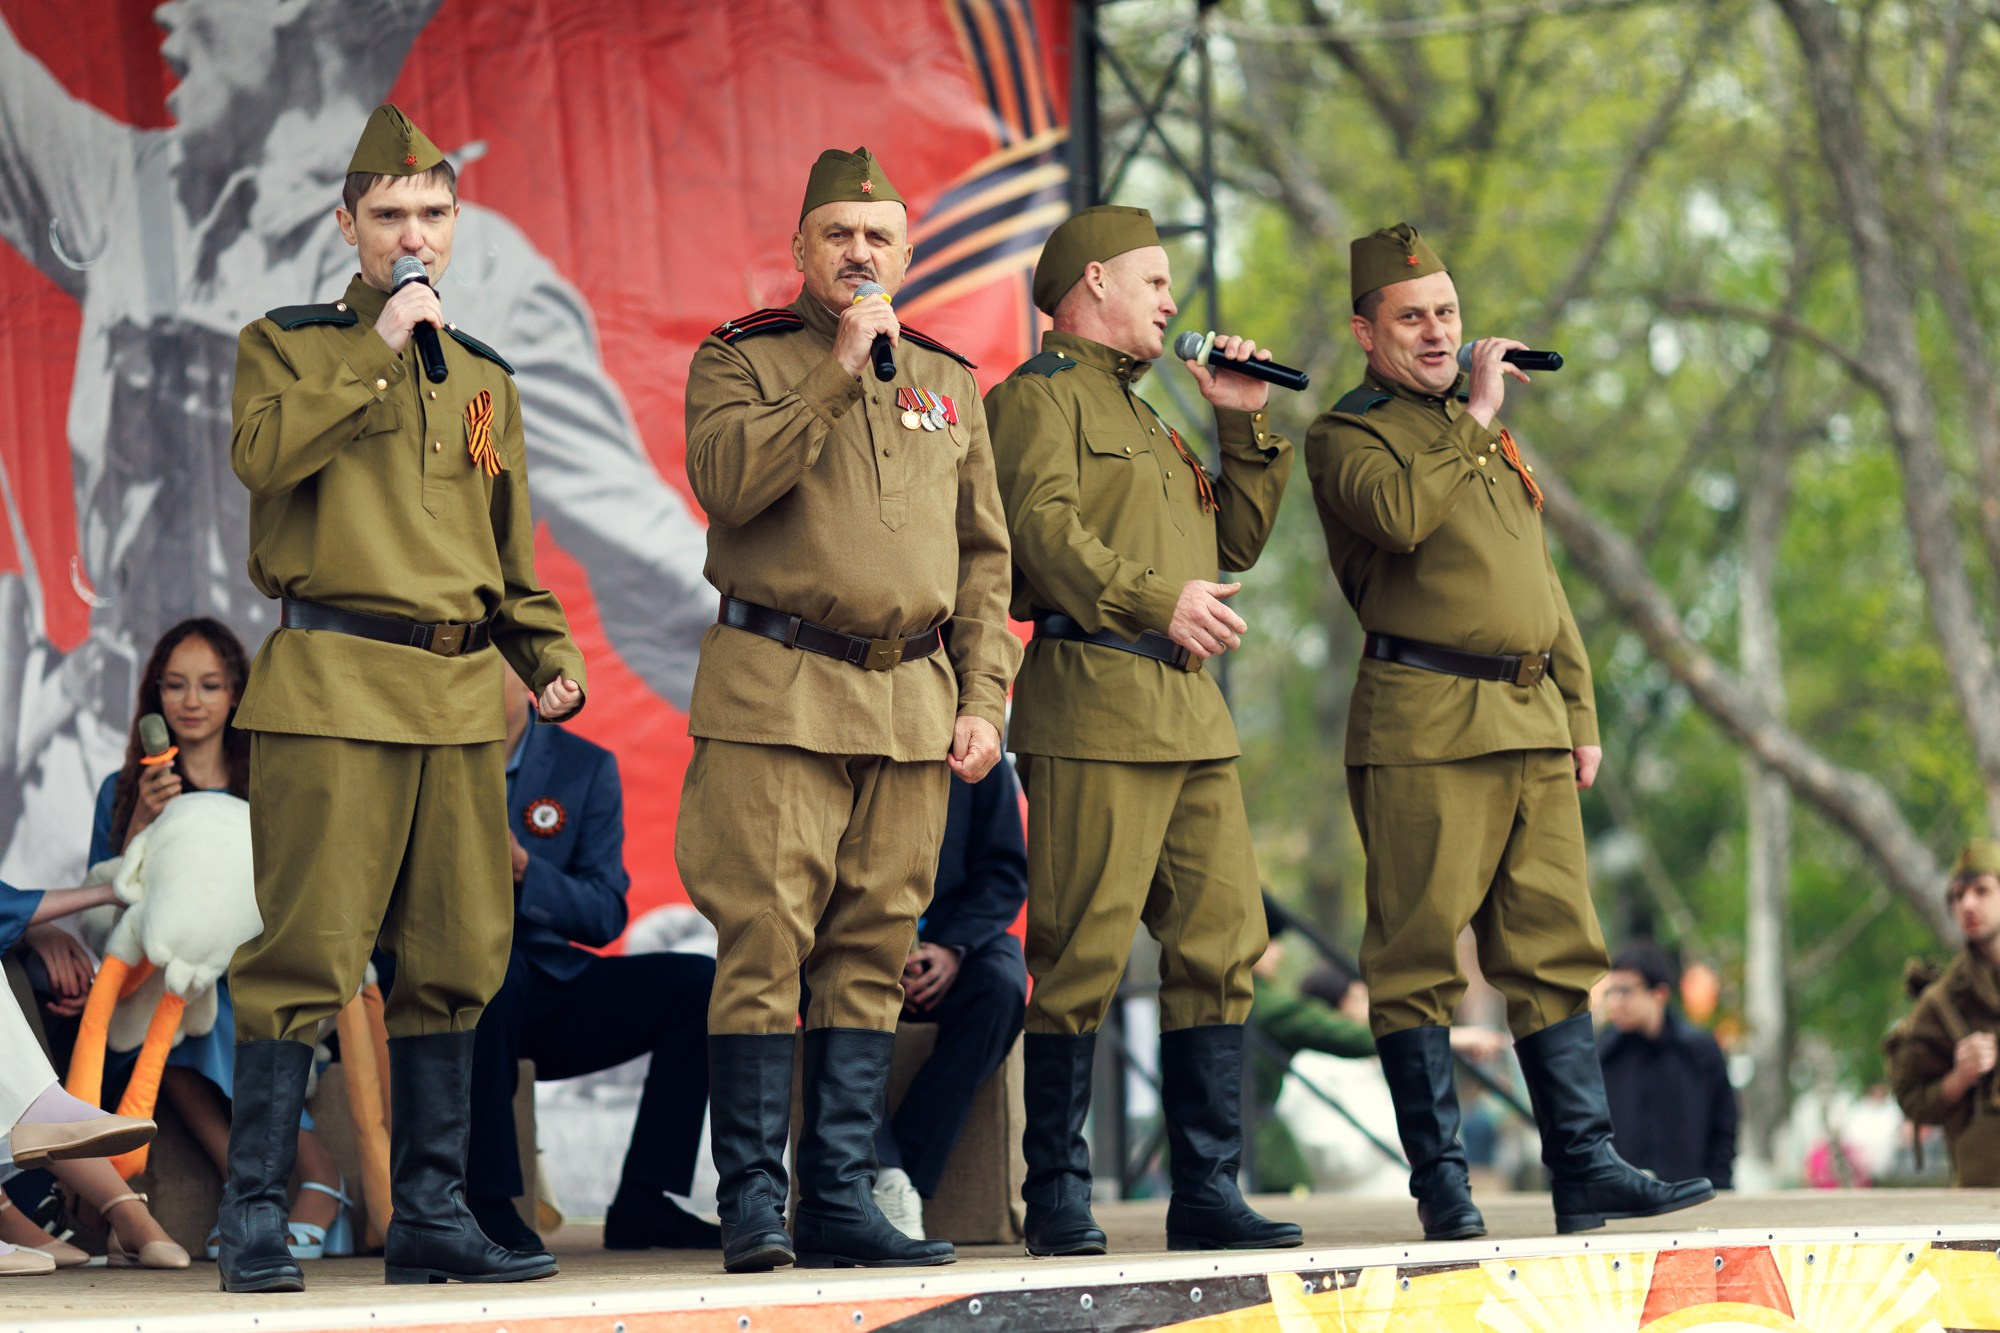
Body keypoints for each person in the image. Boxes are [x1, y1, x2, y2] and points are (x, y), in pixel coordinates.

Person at [0, 2, 709, 886]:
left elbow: (650, 567)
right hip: (110, 769)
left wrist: (810, 699)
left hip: (331, 768)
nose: (166, 11)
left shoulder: (489, 290)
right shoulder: (133, 195)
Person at [218, 105, 585, 1294]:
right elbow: (262, 458)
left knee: (457, 954)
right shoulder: (288, 346)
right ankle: (253, 1217)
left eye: (431, 212)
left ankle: (430, 1212)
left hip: (460, 699)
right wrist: (378, 348)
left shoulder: (483, 377)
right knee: (308, 952)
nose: (411, 234)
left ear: (455, 222)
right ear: (347, 225)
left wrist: (545, 655)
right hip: (334, 683)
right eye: (388, 215)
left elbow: (506, 555)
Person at [1301, 223, 1713, 1240]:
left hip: (1527, 719)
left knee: (1553, 948)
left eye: (1446, 311)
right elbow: (1401, 517)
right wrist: (1477, 417)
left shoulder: (1477, 435)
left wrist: (1577, 708)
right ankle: (1442, 1183)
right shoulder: (1347, 435)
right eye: (1411, 317)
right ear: (1365, 333)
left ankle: (1584, 1165)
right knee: (1416, 958)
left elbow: (1538, 584)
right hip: (1425, 719)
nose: (1438, 332)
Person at [678, 146, 1017, 1273]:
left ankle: (836, 1197)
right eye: (838, 234)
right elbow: (730, 484)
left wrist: (982, 695)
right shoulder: (742, 358)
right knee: (766, 941)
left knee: (871, 948)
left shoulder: (948, 380)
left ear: (906, 254)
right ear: (799, 249)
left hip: (910, 700)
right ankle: (752, 1201)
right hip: (779, 688)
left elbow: (983, 561)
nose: (858, 253)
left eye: (878, 237)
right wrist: (834, 371)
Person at [985, 205, 1297, 1255]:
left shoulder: (1154, 416)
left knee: (1222, 946)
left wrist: (1240, 421)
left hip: (1191, 715)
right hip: (1093, 697)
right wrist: (1157, 599)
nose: (1171, 301)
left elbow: (1234, 542)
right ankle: (1057, 1190)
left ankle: (1206, 1189)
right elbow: (1040, 534)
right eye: (1155, 281)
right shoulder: (1036, 398)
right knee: (1081, 954)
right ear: (1094, 281)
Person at [86, 617, 347, 1258]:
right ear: (155, 697)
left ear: (236, 694)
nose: (192, 701)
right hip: (166, 983)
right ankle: (258, 1189)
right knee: (177, 1006)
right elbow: (106, 909)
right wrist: (141, 824)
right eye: (175, 685)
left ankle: (308, 1179)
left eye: (209, 685)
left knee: (224, 1000)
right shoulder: (122, 791)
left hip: (259, 971)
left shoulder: (271, 783)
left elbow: (302, 892)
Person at [458, 669, 717, 1257]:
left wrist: (525, 870)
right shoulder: (425, 756)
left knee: (699, 984)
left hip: (551, 983)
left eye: (490, 659)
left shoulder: (583, 766)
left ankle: (645, 1199)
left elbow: (604, 914)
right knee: (494, 973)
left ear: (525, 675)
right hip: (455, 980)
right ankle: (489, 1201)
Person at [870, 758, 1030, 1242]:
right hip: (860, 938)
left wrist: (952, 947)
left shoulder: (977, 756)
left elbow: (1004, 872)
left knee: (1002, 984)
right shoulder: (852, 745)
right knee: (814, 980)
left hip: (954, 940)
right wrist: (882, 946)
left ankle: (898, 1175)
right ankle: (883, 1169)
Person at [1887, 839, 2000, 1186]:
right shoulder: (1943, 1002)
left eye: (1982, 890)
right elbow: (1911, 1097)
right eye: (1958, 895)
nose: (1967, 904)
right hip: (1983, 1197)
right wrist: (1959, 1078)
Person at [1598, 941, 1738, 1190]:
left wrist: (1715, 1185)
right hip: (1621, 1200)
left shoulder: (1699, 1052)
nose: (1615, 1003)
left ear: (1659, 994)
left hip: (1692, 1195)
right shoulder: (1603, 1054)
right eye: (1611, 992)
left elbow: (1724, 1125)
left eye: (1625, 991)